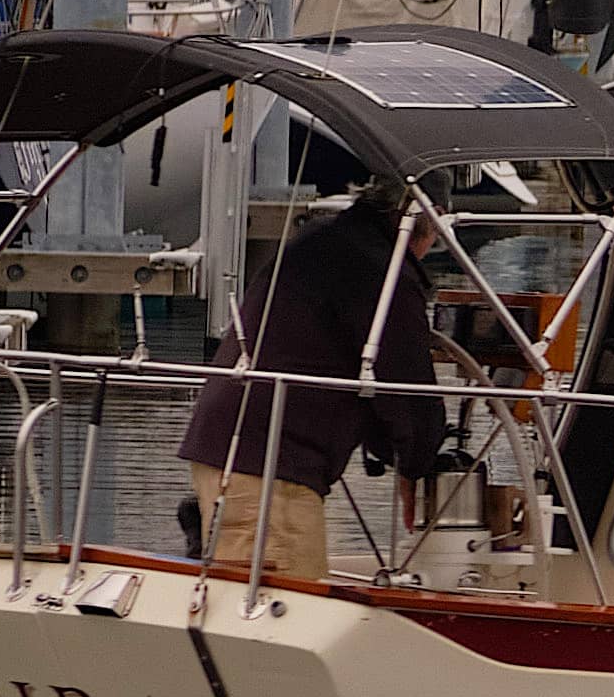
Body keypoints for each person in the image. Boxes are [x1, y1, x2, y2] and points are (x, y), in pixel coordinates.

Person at [177, 169, 447, 576]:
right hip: (269, 468)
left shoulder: (325, 240)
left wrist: (397, 451)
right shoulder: (384, 271)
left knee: (245, 601)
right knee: (280, 612)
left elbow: (368, 378)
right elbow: (407, 392)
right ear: (432, 218)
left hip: (227, 445)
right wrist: (416, 466)